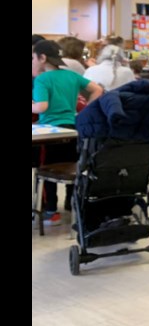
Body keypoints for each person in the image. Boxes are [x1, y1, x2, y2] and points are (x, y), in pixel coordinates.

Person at [32, 39, 104, 226]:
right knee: (72, 166)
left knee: (47, 169)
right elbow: (97, 89)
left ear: (42, 58)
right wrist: (86, 110)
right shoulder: (71, 76)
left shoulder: (42, 79)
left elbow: (42, 106)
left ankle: (50, 211)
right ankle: (71, 205)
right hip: (72, 129)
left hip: (50, 132)